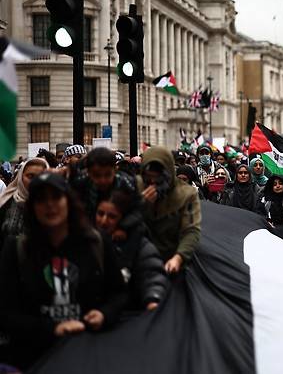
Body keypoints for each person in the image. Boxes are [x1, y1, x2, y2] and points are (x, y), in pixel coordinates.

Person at [0, 173, 127, 369]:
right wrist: (52, 328)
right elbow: (7, 312)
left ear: (68, 201)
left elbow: (119, 293)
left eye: (56, 197)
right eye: (41, 200)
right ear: (32, 207)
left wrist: (104, 314)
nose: (50, 205)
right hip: (36, 359)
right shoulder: (17, 250)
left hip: (91, 354)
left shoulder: (96, 243)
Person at [95, 190, 168, 311]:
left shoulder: (139, 245)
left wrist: (153, 299)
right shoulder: (87, 242)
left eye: (112, 217)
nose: (103, 221)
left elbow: (151, 274)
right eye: (100, 214)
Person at [140, 147, 202, 274]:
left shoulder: (186, 194)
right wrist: (141, 204)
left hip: (172, 257)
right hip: (140, 258)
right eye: (149, 178)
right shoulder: (136, 186)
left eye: (157, 178)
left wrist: (179, 258)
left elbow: (191, 230)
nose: (152, 182)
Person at [70, 147, 138, 223]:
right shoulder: (80, 184)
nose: (103, 180)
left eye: (108, 175)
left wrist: (123, 228)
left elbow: (136, 211)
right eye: (97, 175)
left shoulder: (126, 184)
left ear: (115, 170)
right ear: (88, 172)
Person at [0, 158, 49, 251]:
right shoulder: (6, 202)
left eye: (41, 176)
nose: (35, 181)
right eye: (30, 176)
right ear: (20, 177)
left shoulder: (53, 204)